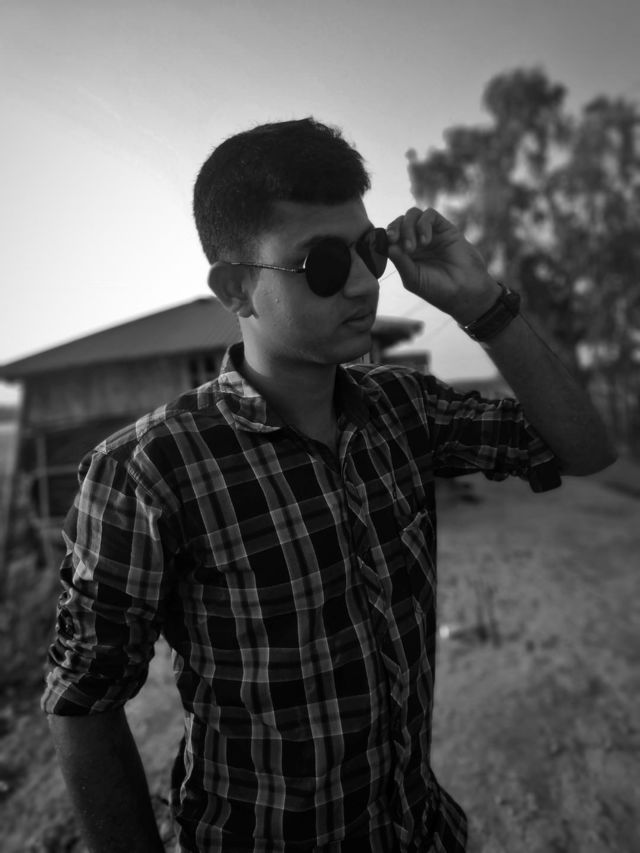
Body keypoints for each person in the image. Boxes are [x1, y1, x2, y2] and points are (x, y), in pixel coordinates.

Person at [42, 118, 616, 853]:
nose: (362, 282)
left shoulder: (405, 409)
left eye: (369, 250)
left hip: (419, 832)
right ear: (237, 289)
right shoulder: (149, 470)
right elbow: (84, 701)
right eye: (322, 262)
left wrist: (484, 306)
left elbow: (582, 448)